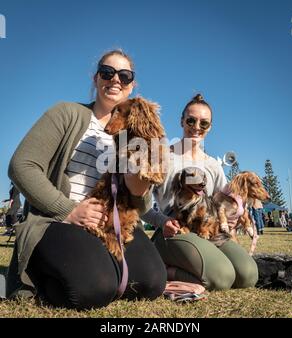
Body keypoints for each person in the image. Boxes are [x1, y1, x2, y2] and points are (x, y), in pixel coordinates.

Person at [6, 49, 167, 309]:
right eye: (107, 72)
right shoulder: (66, 113)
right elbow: (22, 165)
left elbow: (143, 203)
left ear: (132, 85)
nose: (115, 79)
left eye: (124, 76)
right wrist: (69, 210)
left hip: (113, 226)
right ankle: (37, 272)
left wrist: (140, 173)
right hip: (58, 221)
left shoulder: (132, 133)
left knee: (151, 282)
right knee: (94, 289)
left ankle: (95, 265)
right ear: (96, 79)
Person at [142, 93, 258, 291]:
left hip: (208, 231)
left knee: (248, 275)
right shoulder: (162, 157)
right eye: (191, 120)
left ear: (210, 127)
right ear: (181, 121)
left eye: (204, 123)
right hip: (175, 231)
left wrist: (235, 215)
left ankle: (199, 261)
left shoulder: (213, 165)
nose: (196, 127)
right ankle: (164, 268)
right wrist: (162, 222)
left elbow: (224, 203)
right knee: (222, 278)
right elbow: (139, 204)